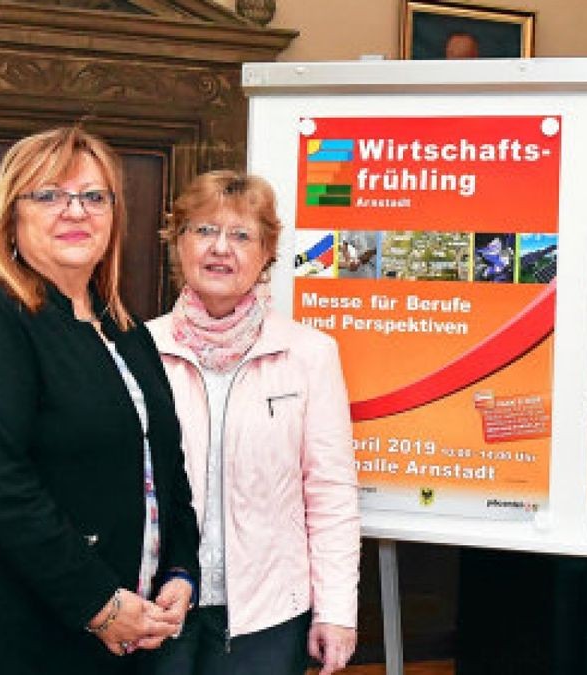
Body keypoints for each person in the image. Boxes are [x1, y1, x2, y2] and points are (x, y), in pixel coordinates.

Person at [0, 127, 200, 674]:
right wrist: (98, 602)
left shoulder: (125, 330)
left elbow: (164, 467)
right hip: (5, 636)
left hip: (117, 637)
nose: (75, 212)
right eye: (48, 195)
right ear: (11, 214)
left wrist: (181, 570)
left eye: (94, 196)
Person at [149, 171, 360, 675]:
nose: (221, 248)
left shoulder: (309, 355)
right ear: (178, 242)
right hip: (156, 608)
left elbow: (330, 493)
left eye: (241, 235)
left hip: (269, 615)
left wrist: (336, 610)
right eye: (203, 230)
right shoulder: (139, 349)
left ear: (267, 253)